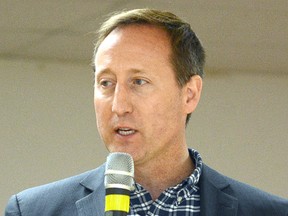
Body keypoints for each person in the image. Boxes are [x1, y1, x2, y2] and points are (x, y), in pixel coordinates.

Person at [5, 8, 288, 216]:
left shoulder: (268, 212)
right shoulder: (31, 210)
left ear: (189, 95)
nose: (118, 105)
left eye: (139, 82)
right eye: (106, 83)